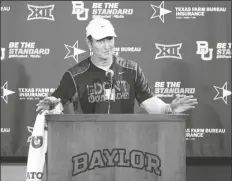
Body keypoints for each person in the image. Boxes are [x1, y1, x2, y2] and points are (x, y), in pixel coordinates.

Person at [36, 17, 198, 114]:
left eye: (110, 39)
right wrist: (51, 105)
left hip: (124, 142)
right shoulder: (75, 74)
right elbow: (57, 105)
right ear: (89, 42)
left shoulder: (131, 70)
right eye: (100, 40)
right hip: (87, 142)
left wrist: (170, 108)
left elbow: (150, 103)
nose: (107, 46)